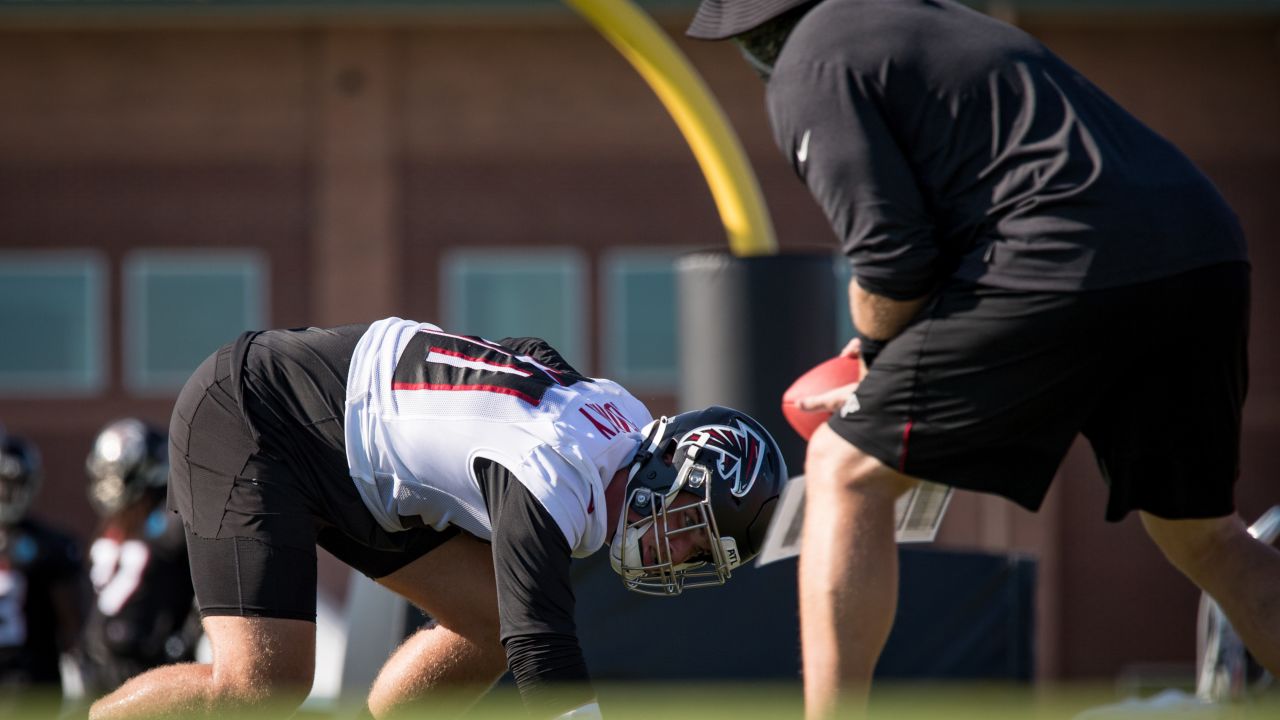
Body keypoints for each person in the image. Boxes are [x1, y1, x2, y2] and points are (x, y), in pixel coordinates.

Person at [685, 0, 1278, 717]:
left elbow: (893, 260)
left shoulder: (812, 61)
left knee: (846, 470)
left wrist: (877, 362)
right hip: (1201, 246)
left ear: (756, 34)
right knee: (1207, 536)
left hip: (1065, 249)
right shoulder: (925, 21)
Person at [88, 318, 787, 720]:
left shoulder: (622, 422)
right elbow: (542, 650)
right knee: (264, 686)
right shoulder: (557, 470)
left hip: (358, 460)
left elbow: (535, 351)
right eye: (694, 524)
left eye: (702, 553)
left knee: (485, 619)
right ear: (671, 469)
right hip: (260, 413)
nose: (682, 548)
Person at [77, 418, 200, 701]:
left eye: (116, 475)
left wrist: (185, 640)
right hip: (101, 664)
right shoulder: (114, 526)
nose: (108, 485)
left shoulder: (173, 522)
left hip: (153, 664)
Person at [0, 431, 84, 712]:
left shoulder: (50, 546)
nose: (5, 493)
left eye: (10, 484)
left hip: (32, 682)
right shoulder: (49, 544)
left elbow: (72, 624)